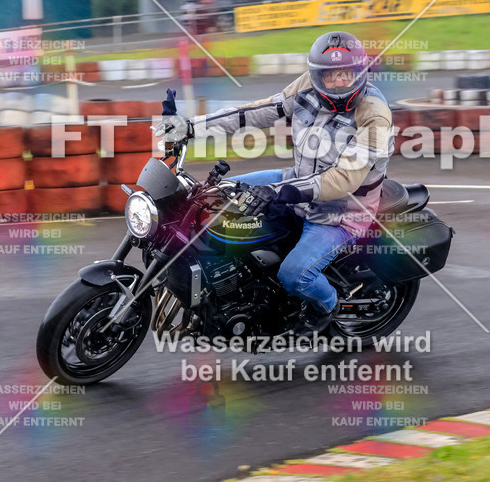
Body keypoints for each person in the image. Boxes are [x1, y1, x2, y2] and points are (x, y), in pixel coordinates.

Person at [153, 31, 394, 333]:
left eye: (346, 74)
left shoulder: (375, 117)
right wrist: (189, 127)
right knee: (212, 197)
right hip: (295, 183)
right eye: (329, 75)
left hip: (340, 214)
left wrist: (277, 191)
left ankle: (328, 307)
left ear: (360, 73)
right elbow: (257, 112)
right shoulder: (306, 88)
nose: (337, 83)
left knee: (295, 275)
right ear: (317, 75)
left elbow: (345, 178)